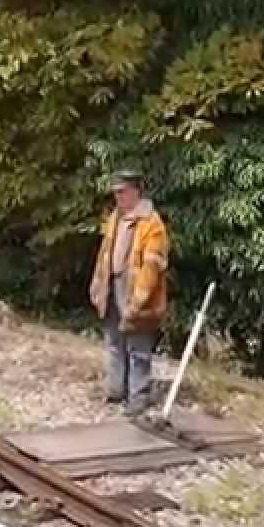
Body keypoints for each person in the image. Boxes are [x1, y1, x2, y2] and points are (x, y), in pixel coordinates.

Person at [88, 169, 169, 416]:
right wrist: (97, 283)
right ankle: (116, 390)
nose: (118, 197)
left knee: (139, 348)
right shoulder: (116, 217)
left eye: (122, 192)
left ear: (135, 191)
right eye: (115, 193)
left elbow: (152, 267)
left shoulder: (152, 224)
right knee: (114, 342)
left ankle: (138, 396)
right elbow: (105, 253)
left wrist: (138, 301)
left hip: (136, 290)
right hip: (113, 286)